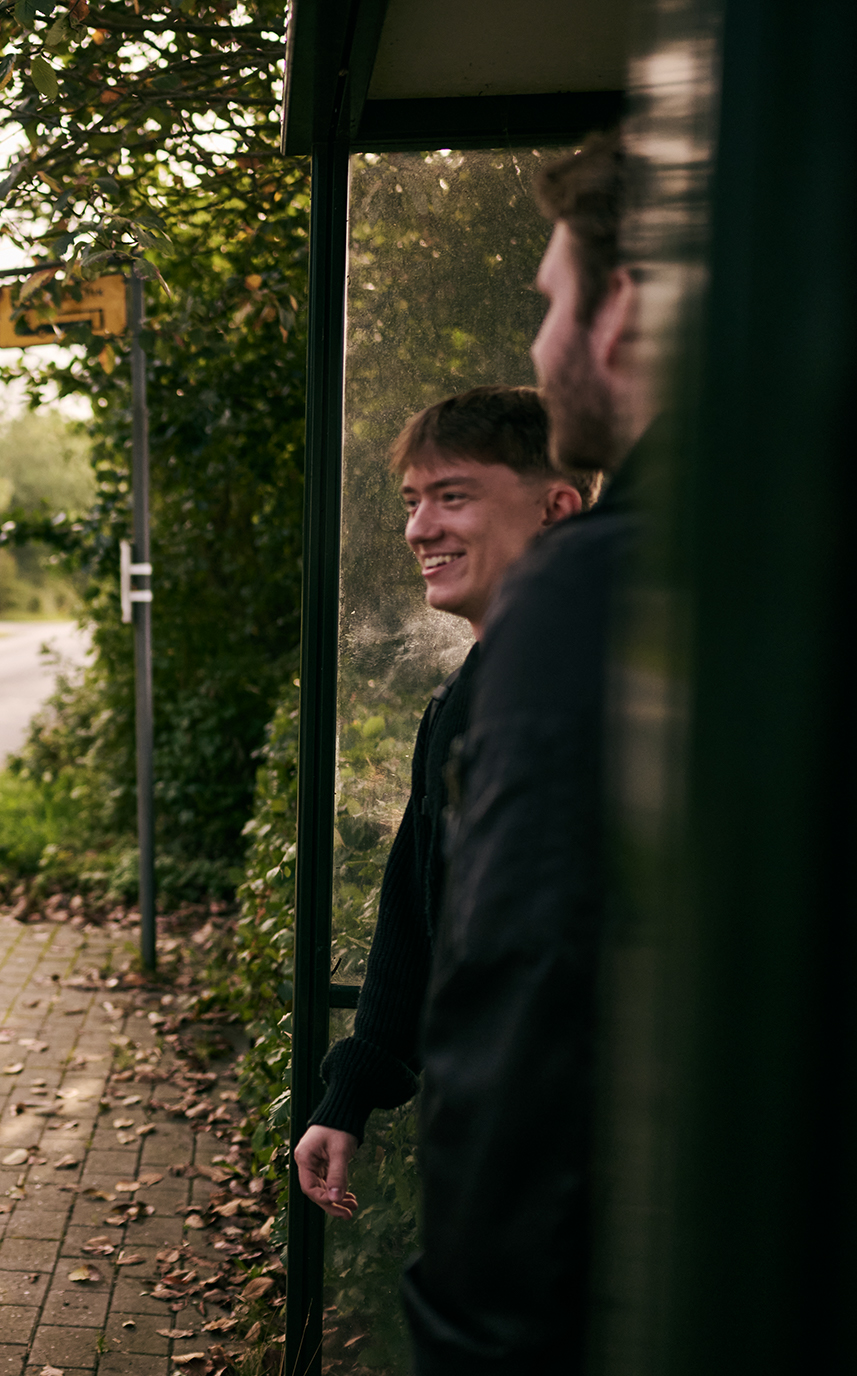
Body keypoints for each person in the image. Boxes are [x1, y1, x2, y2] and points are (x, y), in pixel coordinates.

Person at [403, 130, 653, 1373]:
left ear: (623, 311)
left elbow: (524, 998)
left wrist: (471, 1337)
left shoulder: (587, 592)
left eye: (553, 302)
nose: (545, 346)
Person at [292, 386, 588, 1220]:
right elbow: (416, 902)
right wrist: (352, 1089)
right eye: (412, 502)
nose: (419, 528)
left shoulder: (597, 685)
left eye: (453, 496)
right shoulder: (468, 691)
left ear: (556, 509)